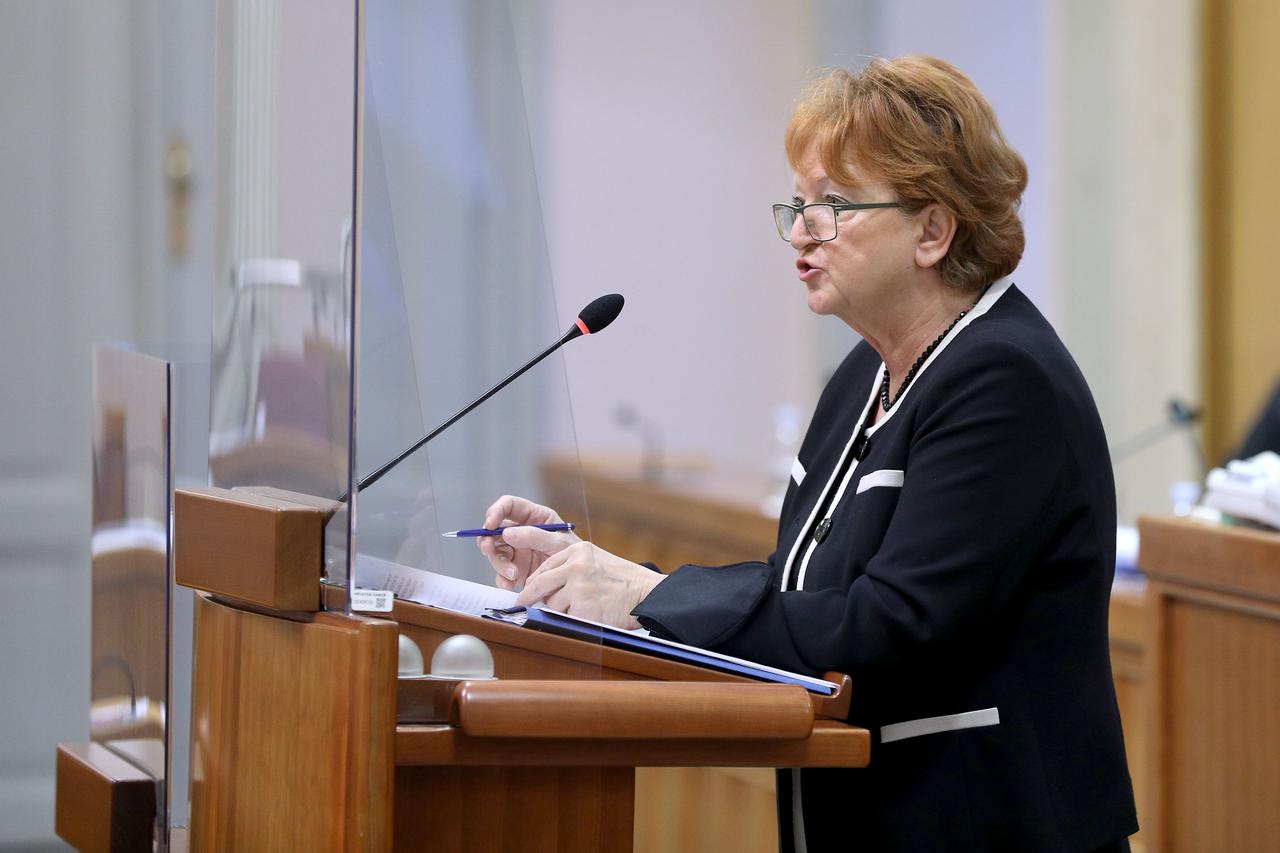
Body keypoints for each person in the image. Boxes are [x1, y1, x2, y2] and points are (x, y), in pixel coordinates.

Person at [478, 56, 1137, 853]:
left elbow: (889, 626)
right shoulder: (867, 371)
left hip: (983, 829)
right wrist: (598, 576)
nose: (800, 232)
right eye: (798, 204)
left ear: (933, 230)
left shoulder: (1003, 381)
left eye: (833, 206)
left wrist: (648, 595)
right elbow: (798, 590)